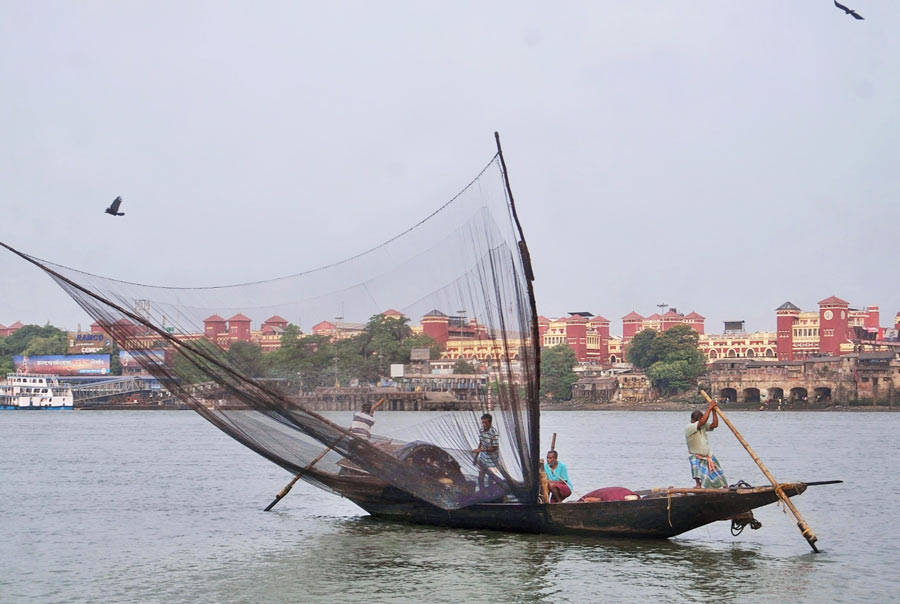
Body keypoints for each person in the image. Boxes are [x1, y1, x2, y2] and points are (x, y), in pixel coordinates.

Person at [685, 399, 728, 488]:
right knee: (696, 469)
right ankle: (698, 484)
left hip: (707, 455)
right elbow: (702, 422)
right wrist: (709, 407)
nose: (702, 421)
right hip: (696, 455)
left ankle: (724, 486)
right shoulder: (689, 427)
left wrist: (714, 412)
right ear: (694, 419)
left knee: (717, 471)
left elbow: (714, 425)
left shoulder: (702, 426)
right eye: (700, 419)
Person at [472, 413, 499, 489]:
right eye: (482, 422)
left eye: (485, 423)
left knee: (491, 478)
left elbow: (494, 448)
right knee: (480, 477)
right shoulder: (481, 430)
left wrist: (480, 450)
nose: (483, 425)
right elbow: (481, 442)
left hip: (492, 459)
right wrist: (476, 457)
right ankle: (482, 492)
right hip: (483, 457)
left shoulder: (494, 433)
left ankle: (491, 494)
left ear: (490, 423)